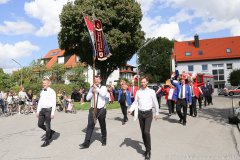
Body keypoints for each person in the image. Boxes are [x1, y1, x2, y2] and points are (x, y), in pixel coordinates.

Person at [128, 76, 160, 160]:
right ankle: (146, 149)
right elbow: (135, 102)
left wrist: (157, 113)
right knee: (143, 132)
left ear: (147, 82)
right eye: (141, 82)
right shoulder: (138, 92)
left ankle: (148, 151)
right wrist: (131, 110)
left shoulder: (152, 91)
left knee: (146, 132)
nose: (143, 83)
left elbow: (155, 102)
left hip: (148, 114)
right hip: (140, 114)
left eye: (144, 82)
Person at [80, 75, 108, 149]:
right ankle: (86, 143)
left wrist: (97, 89)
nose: (96, 81)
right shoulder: (92, 87)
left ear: (100, 80)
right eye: (95, 79)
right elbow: (87, 98)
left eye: (97, 79)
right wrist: (92, 92)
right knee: (90, 126)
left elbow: (103, 94)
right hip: (93, 109)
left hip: (101, 109)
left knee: (102, 125)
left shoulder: (103, 87)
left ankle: (104, 139)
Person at [36, 77, 56, 147]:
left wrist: (52, 113)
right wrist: (38, 111)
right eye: (43, 83)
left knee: (47, 126)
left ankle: (47, 141)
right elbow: (40, 102)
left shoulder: (52, 91)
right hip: (42, 110)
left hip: (48, 110)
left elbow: (54, 103)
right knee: (40, 124)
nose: (43, 84)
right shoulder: (42, 91)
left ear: (48, 84)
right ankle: (51, 131)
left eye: (45, 83)